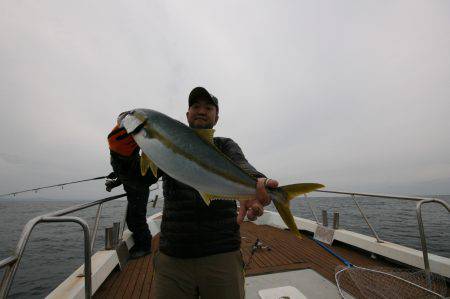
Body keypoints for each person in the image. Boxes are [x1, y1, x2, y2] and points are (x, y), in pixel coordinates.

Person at [107, 87, 277, 298]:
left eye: (208, 107)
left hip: (222, 252)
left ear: (216, 117)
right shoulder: (162, 143)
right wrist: (121, 156)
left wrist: (258, 183)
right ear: (187, 114)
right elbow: (137, 181)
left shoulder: (225, 146)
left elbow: (243, 167)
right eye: (195, 106)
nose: (201, 111)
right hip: (174, 255)